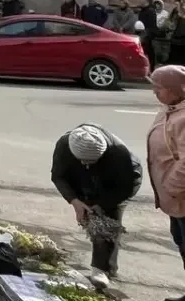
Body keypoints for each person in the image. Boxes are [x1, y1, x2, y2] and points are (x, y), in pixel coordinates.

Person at [50, 124, 142, 289]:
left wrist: (102, 204)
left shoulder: (119, 155)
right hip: (82, 181)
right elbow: (58, 176)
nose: (87, 163)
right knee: (91, 218)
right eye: (83, 160)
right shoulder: (65, 145)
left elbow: (127, 187)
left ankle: (102, 269)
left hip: (114, 186)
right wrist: (74, 201)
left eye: (92, 161)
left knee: (106, 223)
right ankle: (107, 265)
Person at [149, 66, 185, 301]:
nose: (154, 93)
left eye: (158, 88)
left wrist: (171, 186)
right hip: (175, 197)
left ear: (175, 90)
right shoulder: (170, 110)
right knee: (182, 243)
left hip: (180, 193)